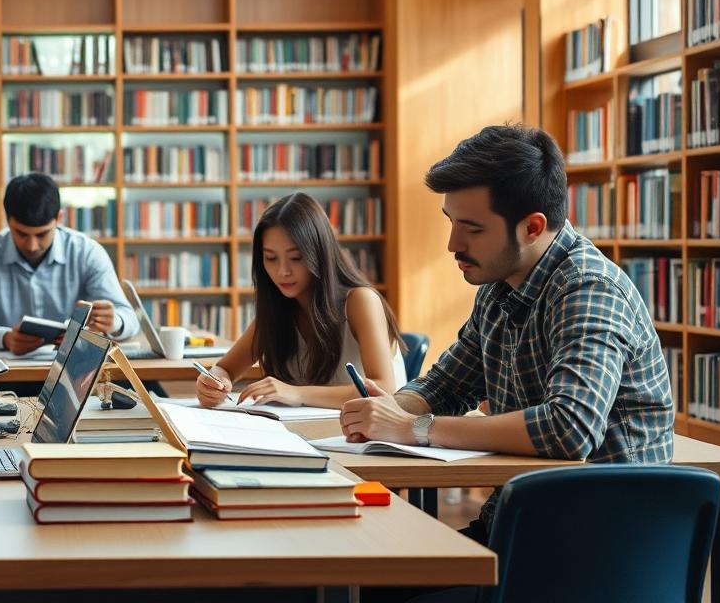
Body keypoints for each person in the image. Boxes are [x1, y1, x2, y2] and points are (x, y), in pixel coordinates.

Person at [341, 124, 674, 544]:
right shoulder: (500, 286)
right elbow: (445, 385)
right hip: (525, 528)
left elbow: (569, 428)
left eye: (472, 228)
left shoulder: (589, 288)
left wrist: (412, 428)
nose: (452, 244)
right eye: (450, 221)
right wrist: (386, 411)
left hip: (597, 547)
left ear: (532, 227)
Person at [195, 192, 406, 409]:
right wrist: (213, 381)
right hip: (311, 431)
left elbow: (384, 389)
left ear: (319, 253)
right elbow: (225, 368)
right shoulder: (278, 308)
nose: (282, 271)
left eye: (296, 258)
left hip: (371, 436)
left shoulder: (360, 301)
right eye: (271, 258)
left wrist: (296, 393)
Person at [0, 173, 139, 353]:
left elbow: (130, 319)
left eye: (41, 234)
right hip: (7, 371)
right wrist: (6, 338)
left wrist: (114, 321)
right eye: (21, 234)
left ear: (59, 218)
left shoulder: (87, 252)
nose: (32, 245)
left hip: (75, 369)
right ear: (7, 220)